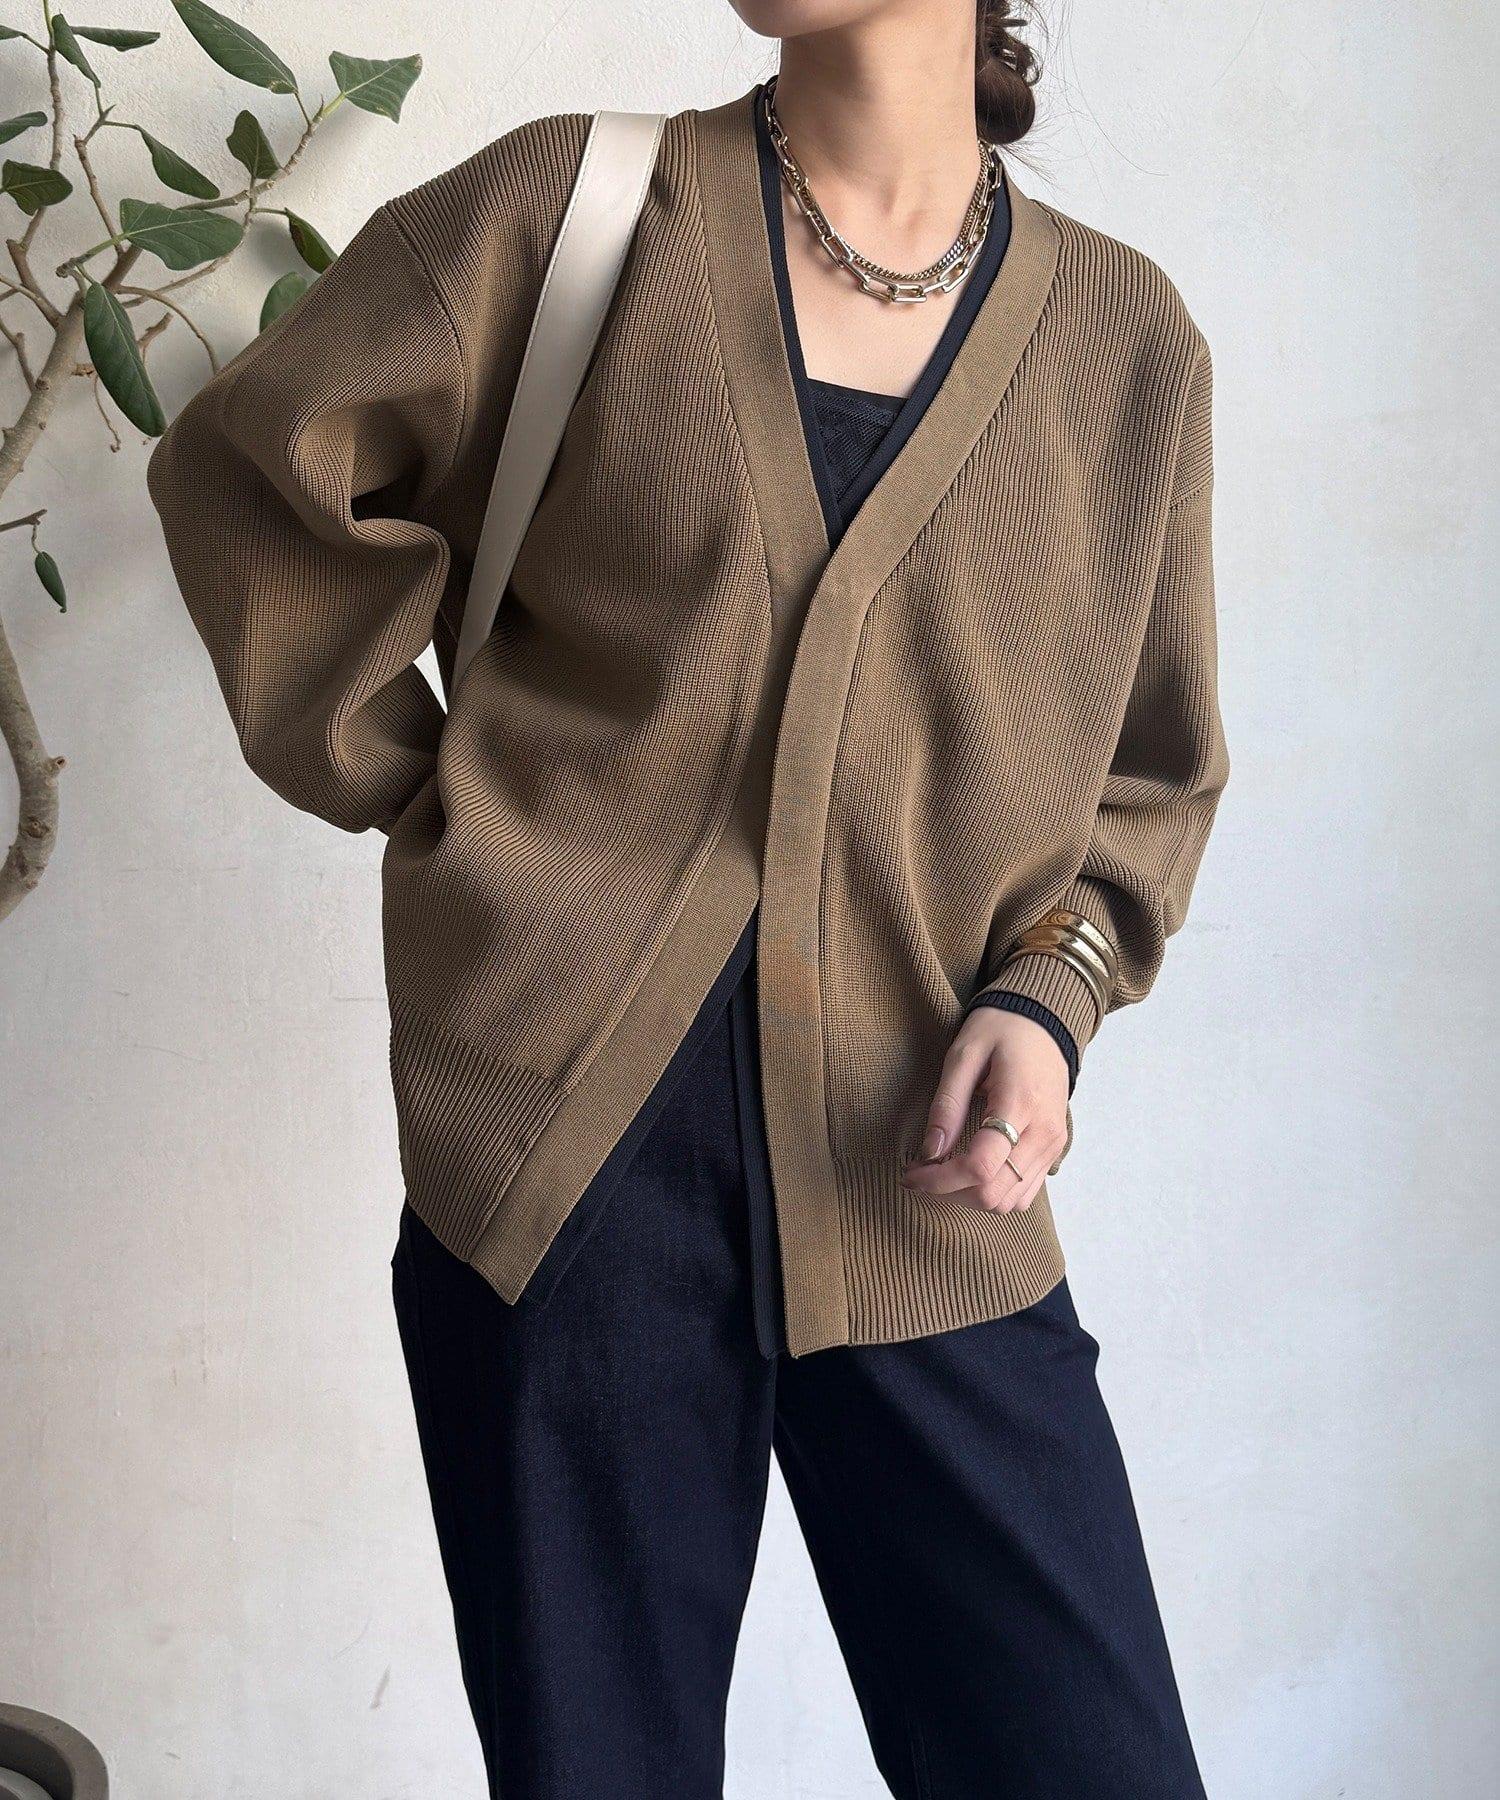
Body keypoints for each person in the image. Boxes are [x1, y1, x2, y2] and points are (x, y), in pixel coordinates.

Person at [148, 2, 1229, 1794]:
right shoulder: (572, 216)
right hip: (563, 1188)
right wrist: (450, 813)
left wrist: (1047, 1005)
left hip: (919, 1181)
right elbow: (253, 478)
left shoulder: (1126, 347)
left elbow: (1149, 783)